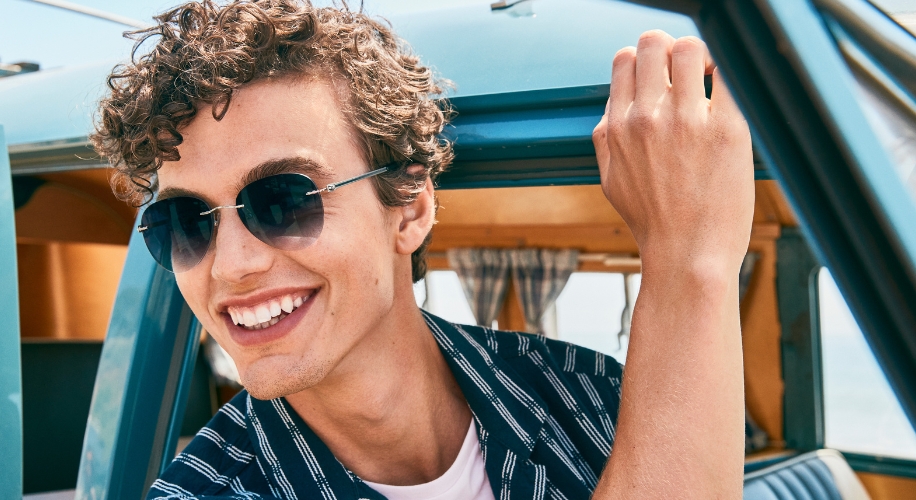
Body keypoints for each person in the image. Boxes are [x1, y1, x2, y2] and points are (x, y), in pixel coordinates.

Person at [91, 1, 753, 498]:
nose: (232, 265)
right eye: (185, 222)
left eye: (283, 201)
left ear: (409, 209)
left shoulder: (584, 392)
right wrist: (689, 260)